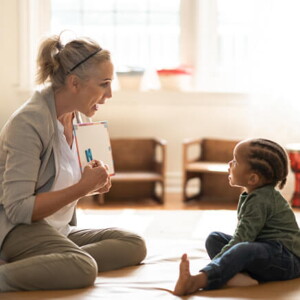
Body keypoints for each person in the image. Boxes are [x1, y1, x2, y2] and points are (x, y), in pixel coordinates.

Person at [0, 34, 146, 292]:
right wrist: (81, 188)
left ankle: (50, 260)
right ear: (74, 83)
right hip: (15, 230)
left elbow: (63, 183)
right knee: (83, 267)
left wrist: (91, 185)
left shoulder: (77, 118)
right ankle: (51, 262)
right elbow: (18, 210)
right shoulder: (28, 123)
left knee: (133, 243)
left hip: (56, 230)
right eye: (104, 84)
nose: (110, 94)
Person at [174, 138, 300, 295]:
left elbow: (242, 239)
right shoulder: (254, 194)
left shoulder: (261, 199)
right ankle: (241, 277)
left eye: (235, 162)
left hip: (287, 260)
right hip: (264, 250)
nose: (229, 164)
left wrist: (216, 264)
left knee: (242, 248)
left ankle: (198, 280)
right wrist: (226, 258)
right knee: (214, 238)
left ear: (253, 178)